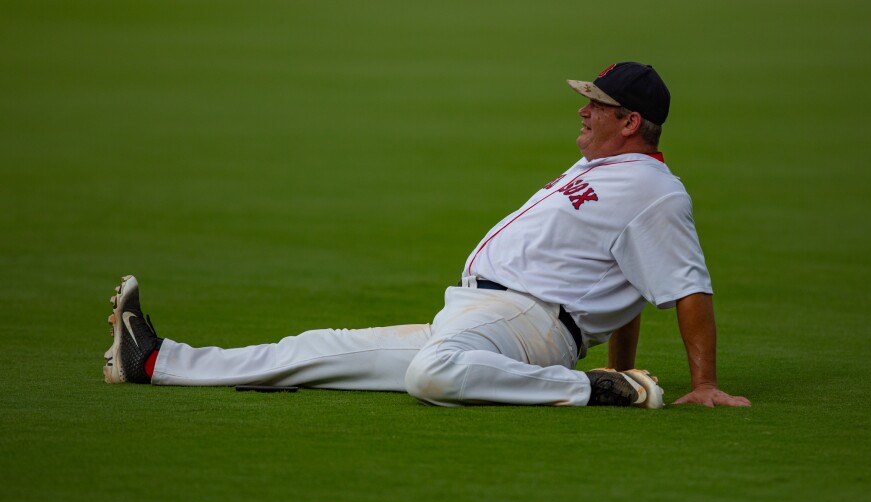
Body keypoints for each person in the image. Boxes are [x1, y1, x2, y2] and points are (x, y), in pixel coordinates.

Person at [103, 62, 751, 409]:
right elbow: (631, 280)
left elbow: (686, 289)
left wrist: (702, 384)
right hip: (488, 314)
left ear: (631, 121)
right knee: (320, 347)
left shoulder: (656, 192)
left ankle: (596, 394)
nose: (583, 108)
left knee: (433, 374)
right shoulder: (605, 166)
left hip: (535, 327)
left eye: (598, 104)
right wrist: (625, 359)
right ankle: (158, 362)